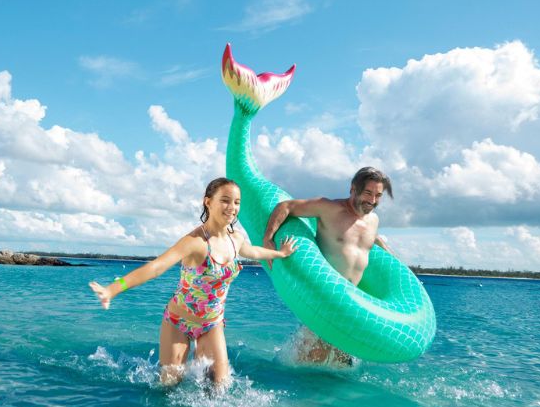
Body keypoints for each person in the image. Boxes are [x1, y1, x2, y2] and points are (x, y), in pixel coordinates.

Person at [89, 177, 297, 387]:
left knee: (219, 387)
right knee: (169, 385)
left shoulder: (236, 239)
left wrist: (280, 253)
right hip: (178, 322)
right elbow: (156, 268)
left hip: (212, 323)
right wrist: (113, 289)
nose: (232, 207)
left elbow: (253, 251)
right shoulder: (195, 242)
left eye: (237, 202)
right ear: (208, 202)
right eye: (225, 200)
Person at [262, 166, 393, 365]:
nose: (372, 200)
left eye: (378, 195)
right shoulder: (329, 208)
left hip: (349, 305)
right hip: (324, 301)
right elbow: (285, 206)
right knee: (311, 363)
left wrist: (383, 246)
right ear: (353, 189)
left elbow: (362, 239)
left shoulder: (373, 220)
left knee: (340, 365)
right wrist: (268, 238)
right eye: (368, 193)